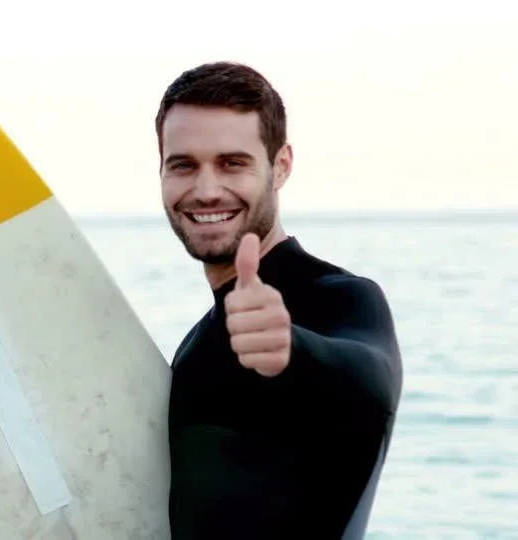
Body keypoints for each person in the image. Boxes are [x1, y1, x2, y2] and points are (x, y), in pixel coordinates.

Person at [156, 62, 403, 538]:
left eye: (233, 163)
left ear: (281, 166)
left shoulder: (342, 301)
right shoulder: (201, 338)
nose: (206, 190)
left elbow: (370, 382)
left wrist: (293, 351)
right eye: (183, 165)